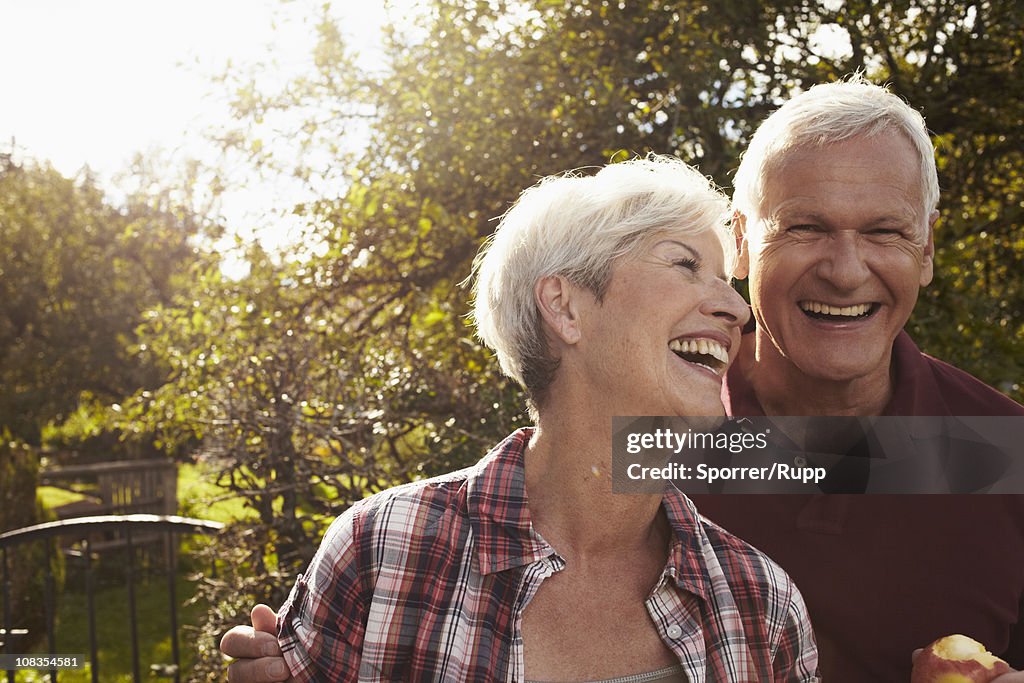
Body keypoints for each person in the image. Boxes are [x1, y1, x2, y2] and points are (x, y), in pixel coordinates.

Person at [219, 156, 820, 681]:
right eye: (685, 265)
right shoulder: (383, 554)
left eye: (724, 281)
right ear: (565, 307)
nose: (737, 309)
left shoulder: (761, 604)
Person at [690, 76, 1024, 682]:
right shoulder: (649, 428)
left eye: (884, 231)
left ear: (926, 249)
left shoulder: (1006, 450)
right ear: (738, 242)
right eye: (805, 227)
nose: (845, 273)